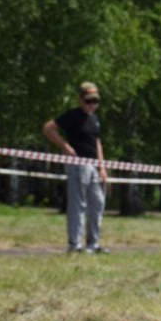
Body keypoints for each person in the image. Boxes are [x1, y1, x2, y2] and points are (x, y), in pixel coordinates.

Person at [42, 81, 108, 254]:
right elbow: (48, 128)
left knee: (98, 203)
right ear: (80, 99)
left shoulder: (94, 119)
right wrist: (65, 146)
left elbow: (97, 142)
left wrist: (102, 167)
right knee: (78, 204)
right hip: (78, 165)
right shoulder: (73, 115)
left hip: (94, 166)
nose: (91, 105)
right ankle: (75, 244)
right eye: (88, 101)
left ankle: (93, 244)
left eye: (95, 101)